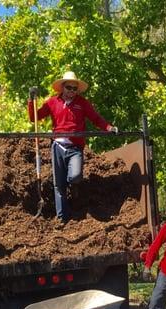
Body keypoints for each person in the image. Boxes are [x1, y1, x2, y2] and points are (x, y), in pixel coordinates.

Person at [28, 71, 117, 222]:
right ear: (62, 88)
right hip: (57, 146)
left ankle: (74, 187)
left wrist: (108, 128)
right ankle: (62, 218)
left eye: (75, 89)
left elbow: (95, 118)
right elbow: (34, 117)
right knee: (58, 184)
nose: (72, 91)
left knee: (75, 176)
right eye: (69, 88)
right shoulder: (52, 102)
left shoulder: (82, 103)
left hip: (75, 147)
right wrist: (31, 100)